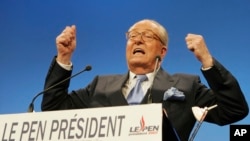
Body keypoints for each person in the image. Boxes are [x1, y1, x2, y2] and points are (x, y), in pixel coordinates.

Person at [41, 19, 248, 140]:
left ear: (163, 51)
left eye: (148, 36)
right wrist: (64, 58)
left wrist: (207, 61)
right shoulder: (99, 85)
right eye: (132, 36)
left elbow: (234, 110)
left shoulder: (186, 85)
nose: (138, 39)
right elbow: (52, 110)